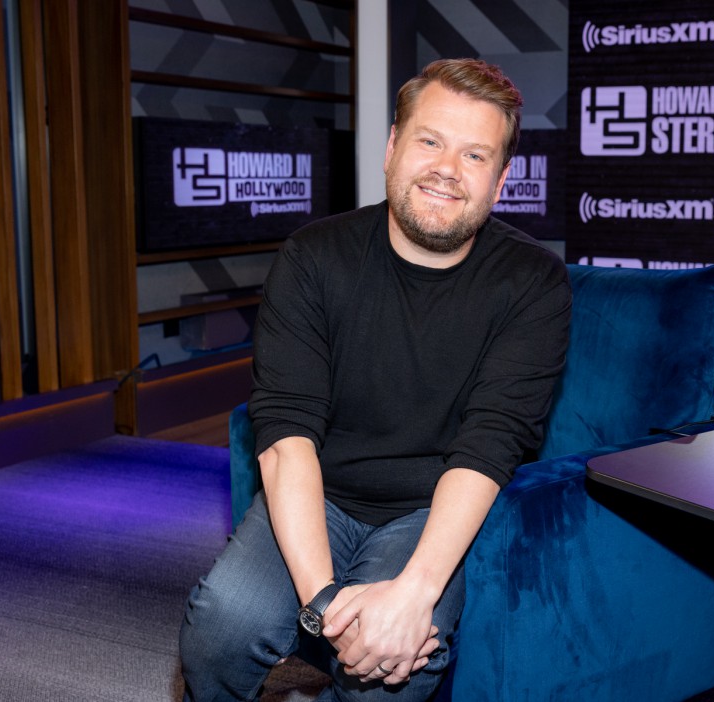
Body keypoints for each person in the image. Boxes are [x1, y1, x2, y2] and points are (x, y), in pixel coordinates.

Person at [178, 58, 572, 702]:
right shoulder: (313, 257)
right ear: (392, 148)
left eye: (476, 155)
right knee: (221, 627)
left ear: (500, 181)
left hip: (427, 511)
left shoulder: (532, 281)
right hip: (320, 493)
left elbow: (492, 443)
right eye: (430, 140)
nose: (447, 169)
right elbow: (285, 435)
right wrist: (326, 604)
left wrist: (414, 594)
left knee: (393, 672)